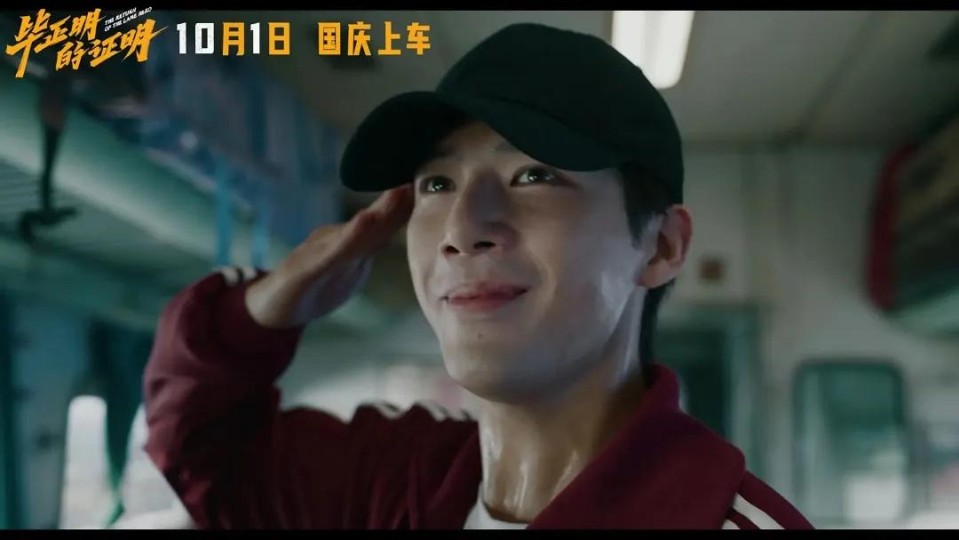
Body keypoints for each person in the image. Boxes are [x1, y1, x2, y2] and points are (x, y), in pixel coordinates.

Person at [142, 23, 813, 529]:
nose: (462, 228)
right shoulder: (393, 482)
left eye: (534, 175)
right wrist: (259, 307)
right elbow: (203, 458)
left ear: (660, 246)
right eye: (437, 183)